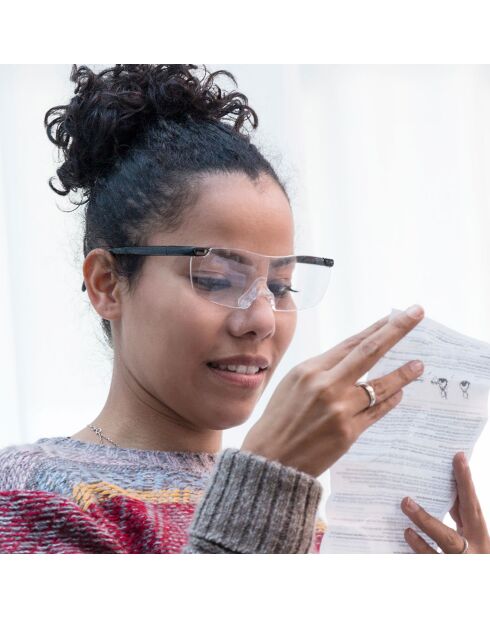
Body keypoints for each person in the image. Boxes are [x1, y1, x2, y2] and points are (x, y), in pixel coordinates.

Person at [0, 64, 488, 554]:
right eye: (215, 279)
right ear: (107, 284)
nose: (261, 320)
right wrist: (267, 480)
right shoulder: (32, 492)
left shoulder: (315, 530)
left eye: (280, 286)